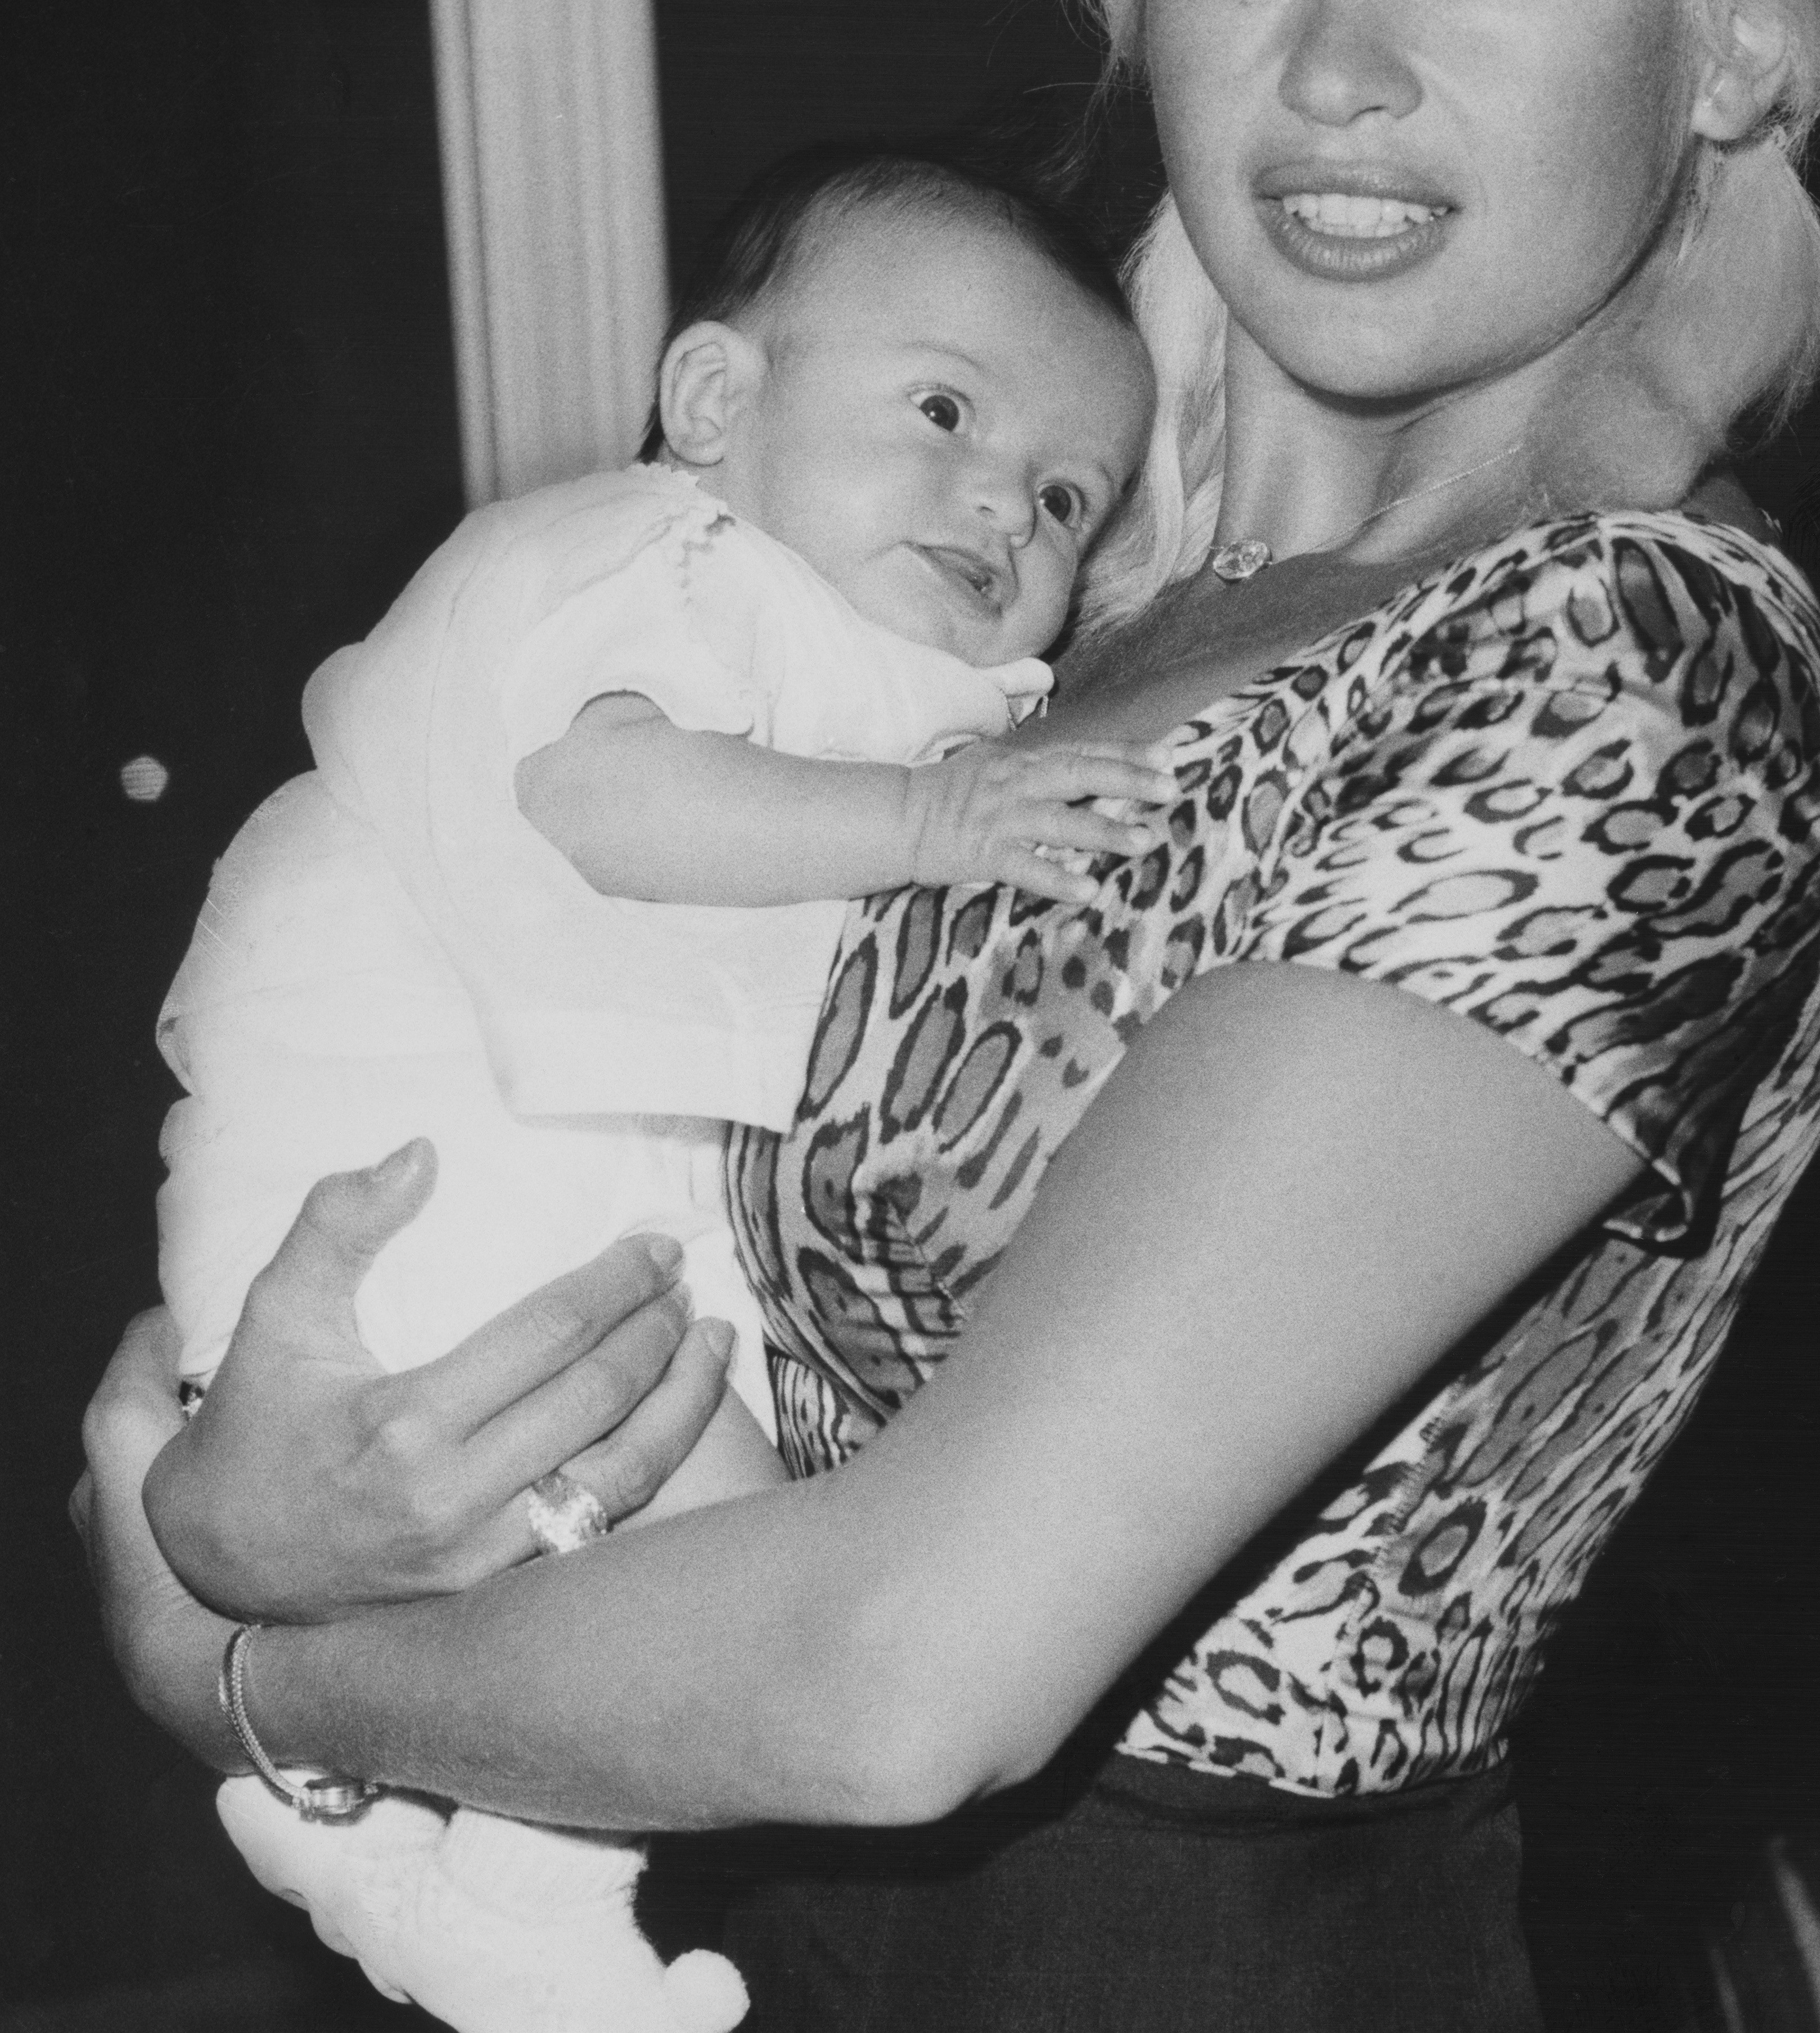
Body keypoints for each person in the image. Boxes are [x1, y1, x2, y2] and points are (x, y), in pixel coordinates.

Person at [80, 0, 1820, 2031]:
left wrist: (234, 1672)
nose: (1338, 68)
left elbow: (905, 1677)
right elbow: (451, 999)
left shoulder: (1626, 677)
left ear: (1730, 33)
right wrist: (261, 1473)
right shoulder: (1082, 593)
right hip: (714, 1908)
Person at [148, 147, 1164, 2031]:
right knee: (714, 1562)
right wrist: (938, 818)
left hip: (529, 1163)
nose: (999, 505)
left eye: (1063, 496)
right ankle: (506, 1888)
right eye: (942, 409)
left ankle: (446, 1860)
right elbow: (606, 803)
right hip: (405, 1131)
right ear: (714, 401)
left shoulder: (850, 642)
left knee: (683, 1553)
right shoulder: (652, 563)